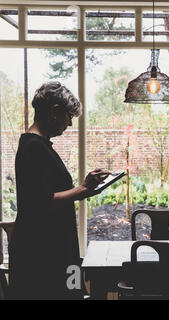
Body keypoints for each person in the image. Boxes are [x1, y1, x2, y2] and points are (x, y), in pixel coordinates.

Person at [9, 82, 110, 300]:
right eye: (69, 116)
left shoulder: (38, 145)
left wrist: (84, 190)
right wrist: (82, 188)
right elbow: (41, 202)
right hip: (43, 252)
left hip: (51, 246)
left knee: (70, 290)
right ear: (55, 112)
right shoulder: (34, 148)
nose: (70, 124)